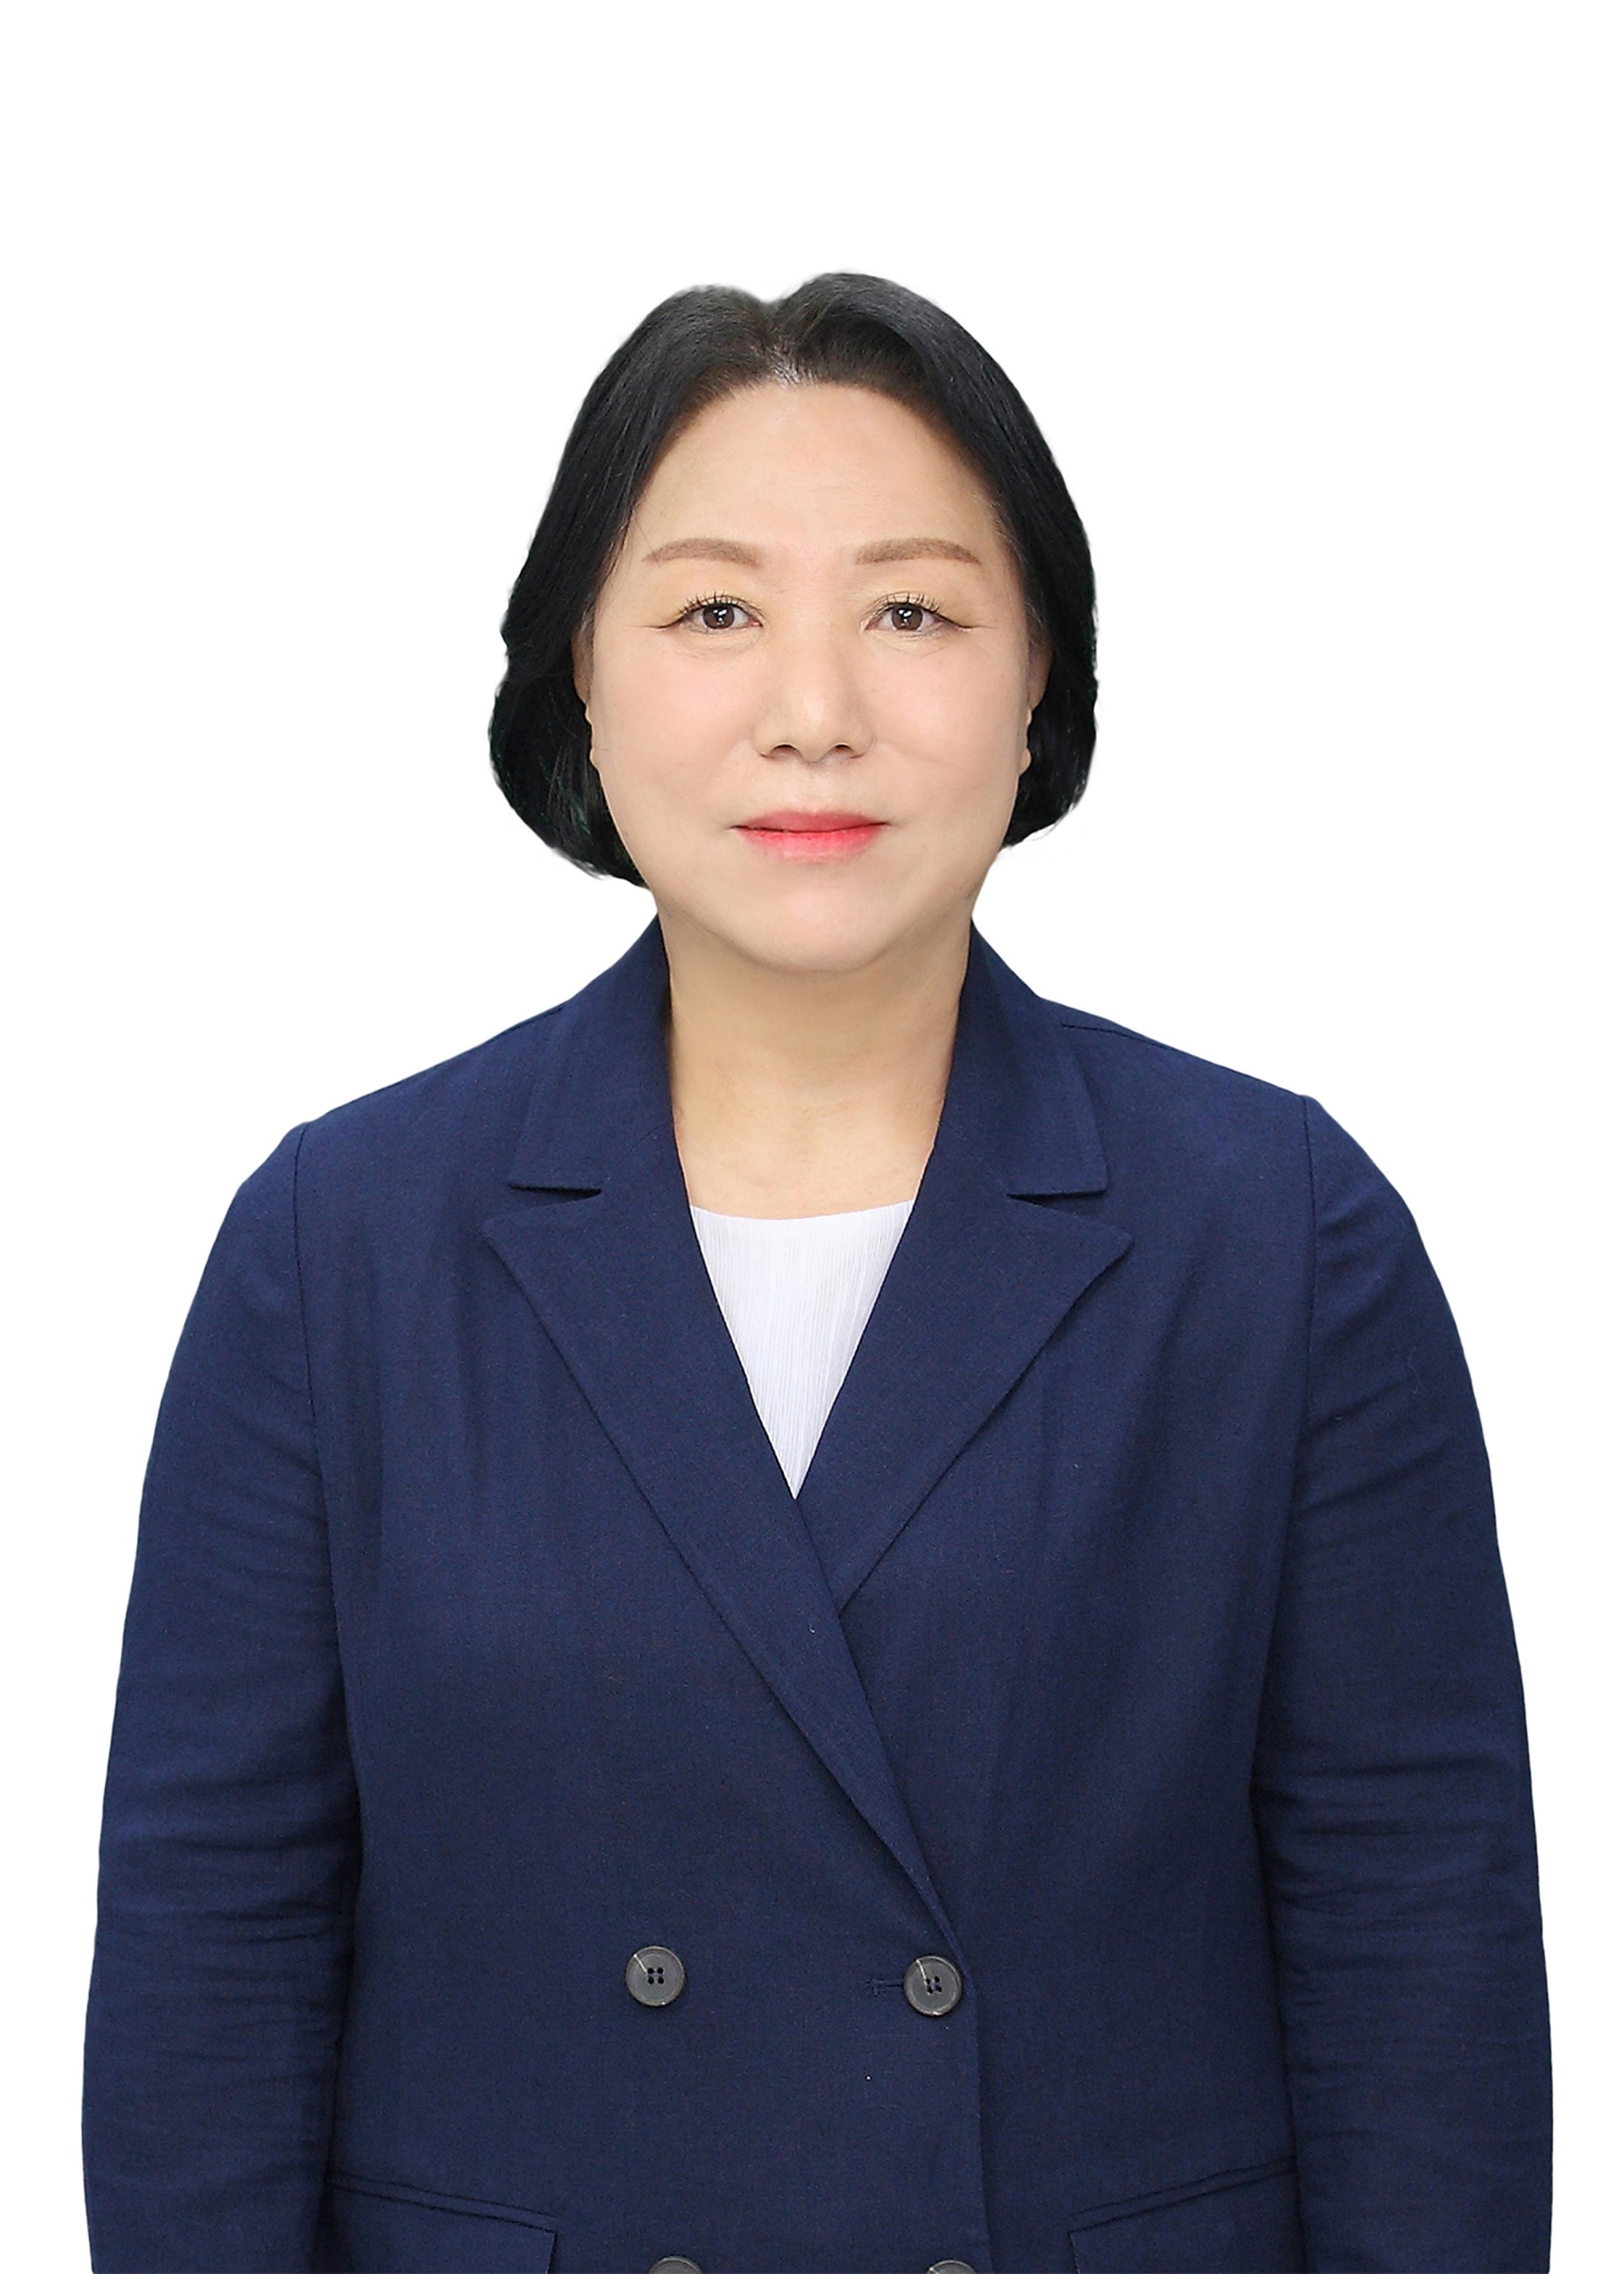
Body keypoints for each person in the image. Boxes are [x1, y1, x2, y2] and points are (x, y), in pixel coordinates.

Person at [81, 274, 1552, 2274]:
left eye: (912, 613)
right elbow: (212, 1955)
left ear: (1037, 681)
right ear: (578, 679)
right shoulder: (338, 1248)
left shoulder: (1279, 1238)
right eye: (713, 612)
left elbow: (1415, 1948)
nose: (814, 709)